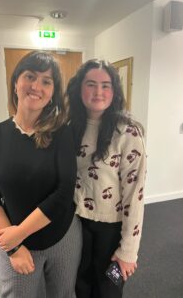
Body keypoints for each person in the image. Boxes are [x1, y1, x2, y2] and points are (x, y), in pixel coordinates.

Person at [0, 52, 82, 298]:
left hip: (62, 236)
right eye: (30, 76)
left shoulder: (61, 133)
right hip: (16, 241)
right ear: (16, 82)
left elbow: (63, 193)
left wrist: (18, 234)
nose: (37, 86)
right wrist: (14, 246)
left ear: (52, 94)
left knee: (64, 295)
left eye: (46, 81)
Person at [66, 59, 147, 298]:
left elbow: (136, 194)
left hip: (111, 229)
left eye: (106, 85)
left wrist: (128, 251)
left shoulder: (128, 131)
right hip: (77, 224)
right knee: (80, 286)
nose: (98, 92)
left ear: (115, 91)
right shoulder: (71, 126)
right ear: (80, 88)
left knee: (108, 289)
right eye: (91, 84)